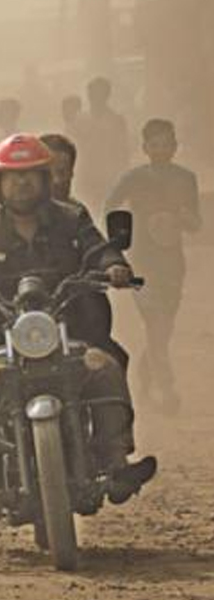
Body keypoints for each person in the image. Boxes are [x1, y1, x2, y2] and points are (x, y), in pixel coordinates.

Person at [0, 134, 156, 512]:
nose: (21, 185)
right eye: (12, 177)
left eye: (30, 176)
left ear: (47, 180)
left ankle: (116, 463)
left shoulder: (72, 218)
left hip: (70, 326)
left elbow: (96, 246)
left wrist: (114, 266)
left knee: (106, 366)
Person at [106, 119, 201, 415]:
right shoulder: (134, 178)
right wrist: (120, 236)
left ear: (175, 146)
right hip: (141, 261)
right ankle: (167, 387)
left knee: (163, 328)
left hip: (173, 263)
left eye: (166, 144)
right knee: (155, 323)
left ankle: (146, 375)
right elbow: (111, 206)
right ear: (144, 147)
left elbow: (197, 223)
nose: (161, 150)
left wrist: (185, 218)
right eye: (154, 144)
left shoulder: (186, 178)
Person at [74, 77, 129, 212]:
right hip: (85, 172)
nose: (95, 97)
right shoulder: (80, 119)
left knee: (106, 209)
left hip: (107, 173)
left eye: (99, 93)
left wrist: (120, 171)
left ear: (106, 95)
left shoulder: (116, 120)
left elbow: (122, 149)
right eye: (92, 93)